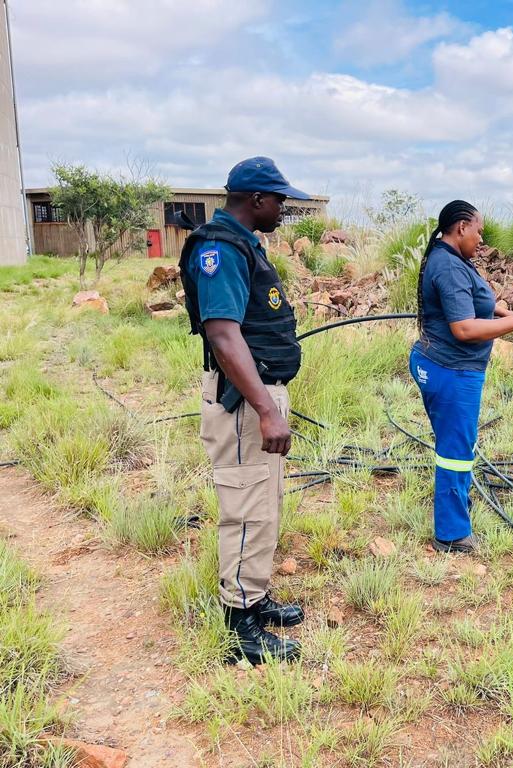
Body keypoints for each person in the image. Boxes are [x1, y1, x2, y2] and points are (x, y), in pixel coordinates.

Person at [178, 157, 309, 664]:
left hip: (260, 396)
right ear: (255, 200)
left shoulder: (245, 244)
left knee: (264, 502)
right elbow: (223, 334)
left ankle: (254, 595)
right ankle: (239, 628)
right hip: (244, 403)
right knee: (245, 505)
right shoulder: (220, 249)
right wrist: (265, 409)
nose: (283, 208)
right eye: (279, 200)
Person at [410, 200, 513, 553]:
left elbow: (474, 302)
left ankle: (455, 510)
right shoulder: (449, 267)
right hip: (450, 370)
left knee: (456, 443)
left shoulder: (452, 260)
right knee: (455, 450)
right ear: (462, 227)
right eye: (479, 230)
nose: (481, 239)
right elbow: (465, 328)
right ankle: (451, 534)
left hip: (446, 366)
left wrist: (507, 311)